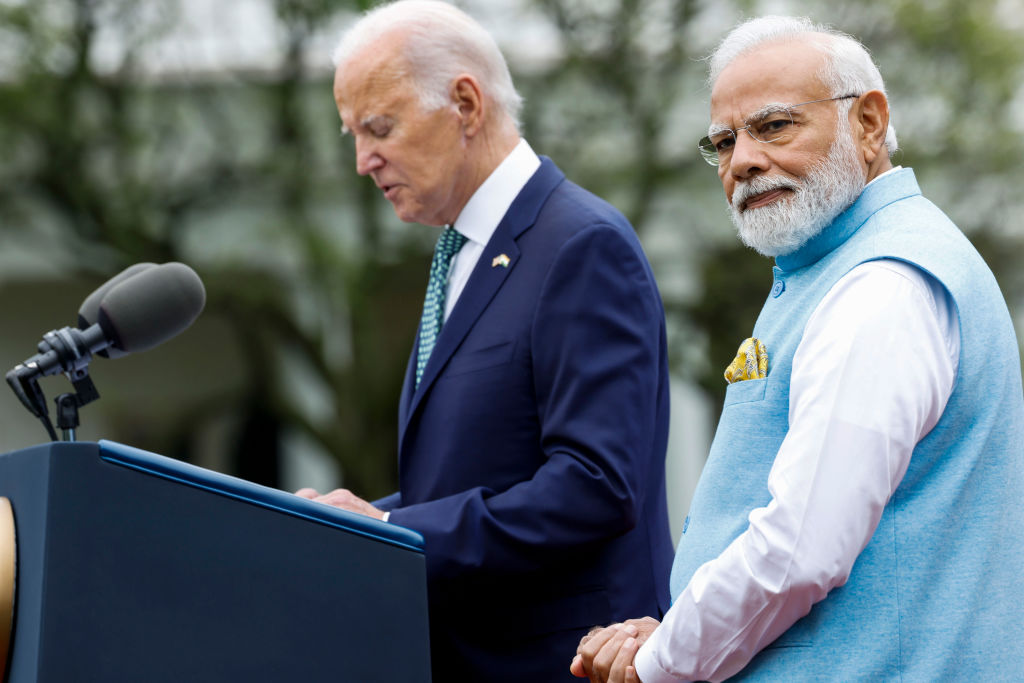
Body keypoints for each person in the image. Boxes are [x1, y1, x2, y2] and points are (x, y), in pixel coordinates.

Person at [572, 15, 1024, 683]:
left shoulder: (881, 286)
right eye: (723, 141)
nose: (743, 160)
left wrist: (658, 658)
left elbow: (798, 551)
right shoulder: (844, 265)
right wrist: (678, 629)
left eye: (774, 125)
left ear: (868, 123)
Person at [294, 2, 674, 680]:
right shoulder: (460, 253)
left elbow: (595, 484)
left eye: (379, 127)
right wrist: (358, 522)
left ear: (465, 103)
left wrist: (396, 534)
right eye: (353, 134)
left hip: (565, 662)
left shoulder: (581, 245)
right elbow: (474, 480)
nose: (361, 160)